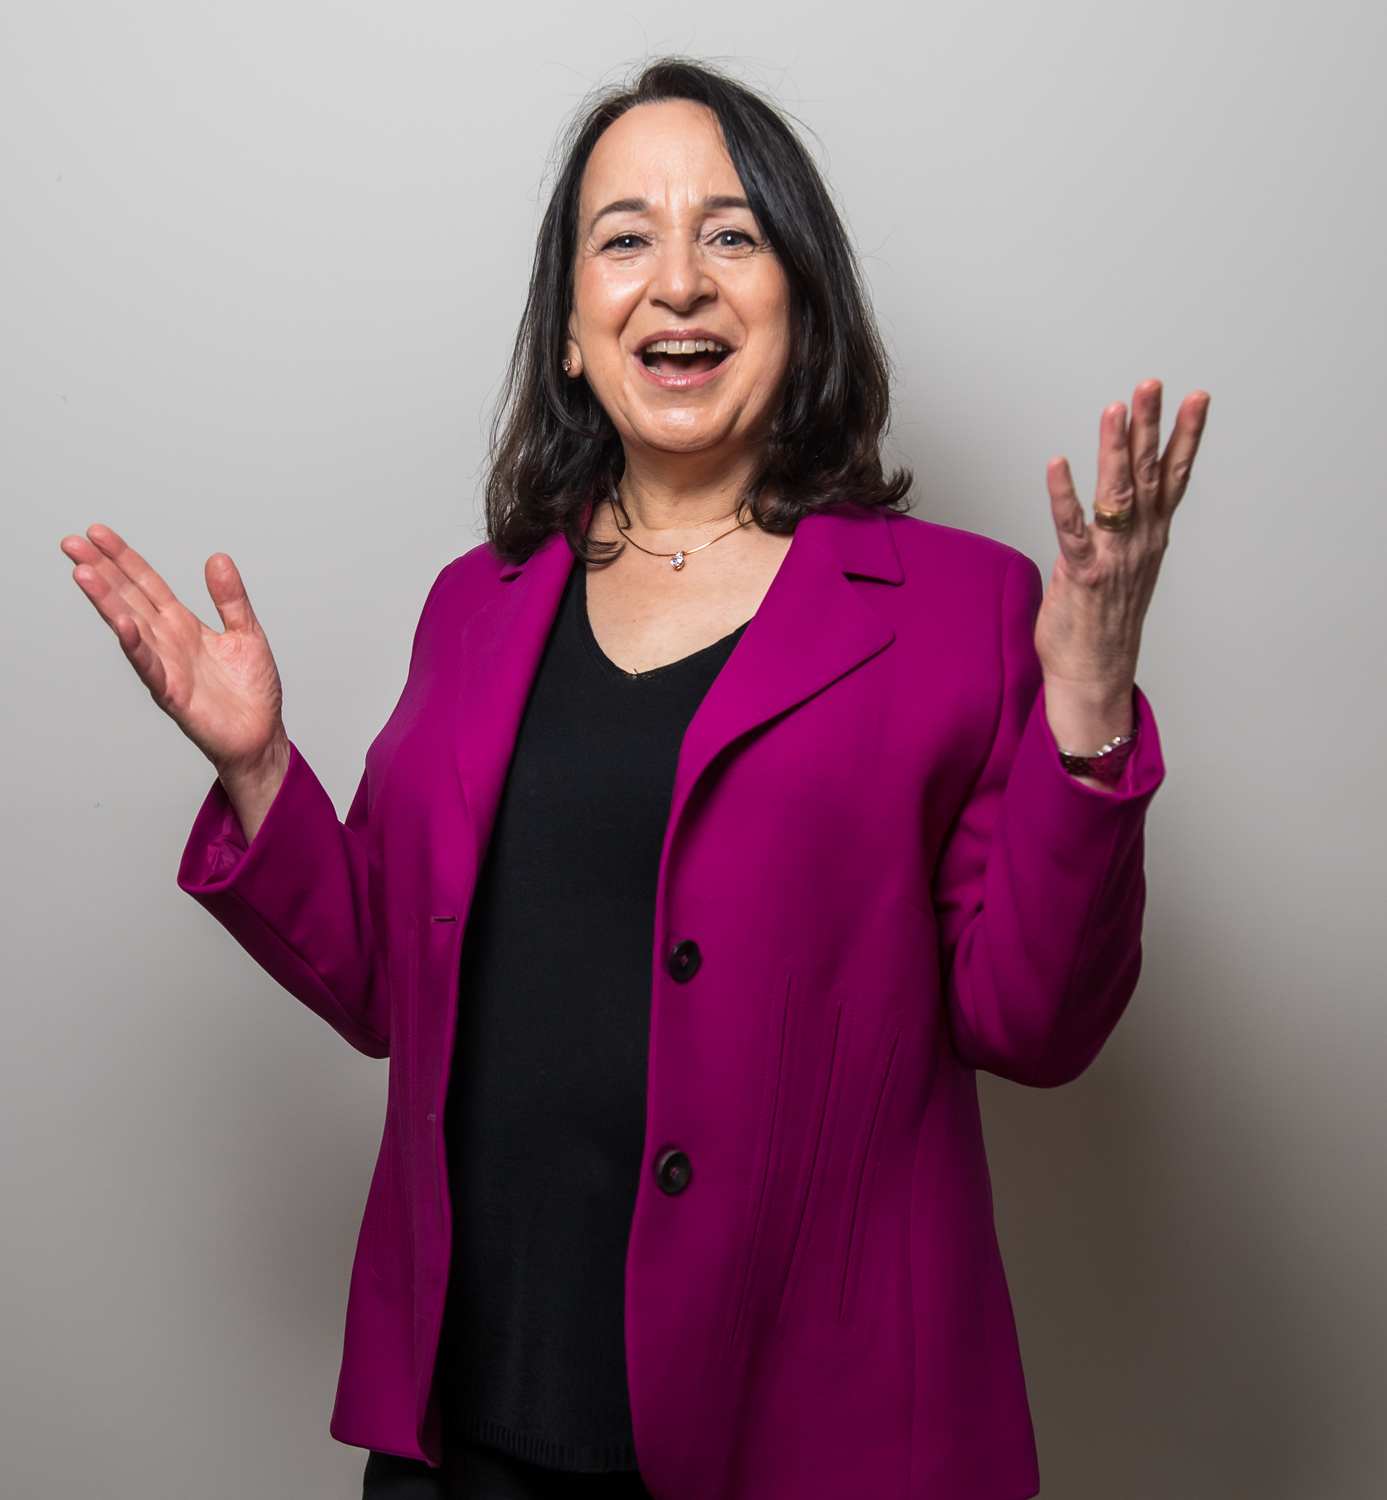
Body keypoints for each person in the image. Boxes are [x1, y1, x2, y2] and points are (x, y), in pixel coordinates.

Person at [62, 58, 1208, 1500]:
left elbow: (1031, 1021)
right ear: (568, 329)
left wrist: (1090, 699)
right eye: (625, 239)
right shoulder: (474, 605)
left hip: (810, 1445)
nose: (678, 282)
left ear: (803, 298)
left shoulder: (959, 609)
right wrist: (257, 770)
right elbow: (393, 986)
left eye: (732, 233)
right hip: (472, 1428)